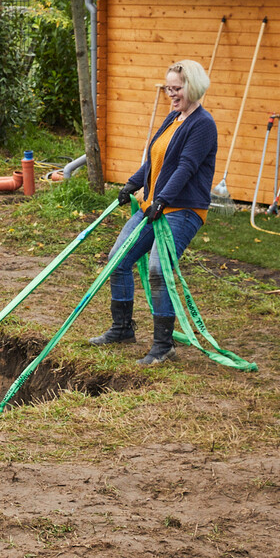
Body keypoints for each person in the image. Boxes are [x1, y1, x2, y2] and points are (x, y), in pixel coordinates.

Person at [89, 60, 217, 365]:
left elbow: (186, 167)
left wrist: (162, 199)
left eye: (177, 88)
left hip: (183, 210)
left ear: (193, 87)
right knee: (118, 259)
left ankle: (163, 346)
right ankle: (122, 329)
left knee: (159, 269)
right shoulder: (173, 118)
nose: (171, 94)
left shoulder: (202, 124)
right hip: (156, 206)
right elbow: (153, 160)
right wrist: (132, 183)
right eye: (168, 88)